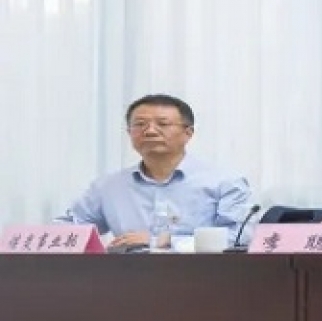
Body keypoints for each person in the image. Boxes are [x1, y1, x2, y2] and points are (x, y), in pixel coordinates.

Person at [58, 94, 254, 249]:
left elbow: (241, 236)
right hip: (126, 279)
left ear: (188, 133)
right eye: (139, 124)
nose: (150, 131)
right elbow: (70, 228)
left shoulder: (224, 182)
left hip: (203, 278)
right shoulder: (108, 187)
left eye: (163, 124)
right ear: (129, 133)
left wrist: (167, 242)